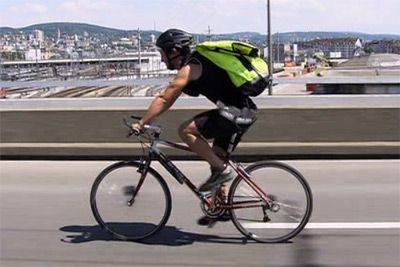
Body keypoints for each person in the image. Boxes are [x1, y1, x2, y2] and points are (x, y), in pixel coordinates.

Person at [132, 28, 257, 199]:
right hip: (241, 112)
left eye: (162, 53)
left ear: (174, 51)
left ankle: (222, 170)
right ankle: (222, 206)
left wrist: (142, 123)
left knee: (186, 131)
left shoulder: (192, 66)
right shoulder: (198, 64)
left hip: (236, 113)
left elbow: (165, 99)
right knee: (217, 157)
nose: (161, 58)